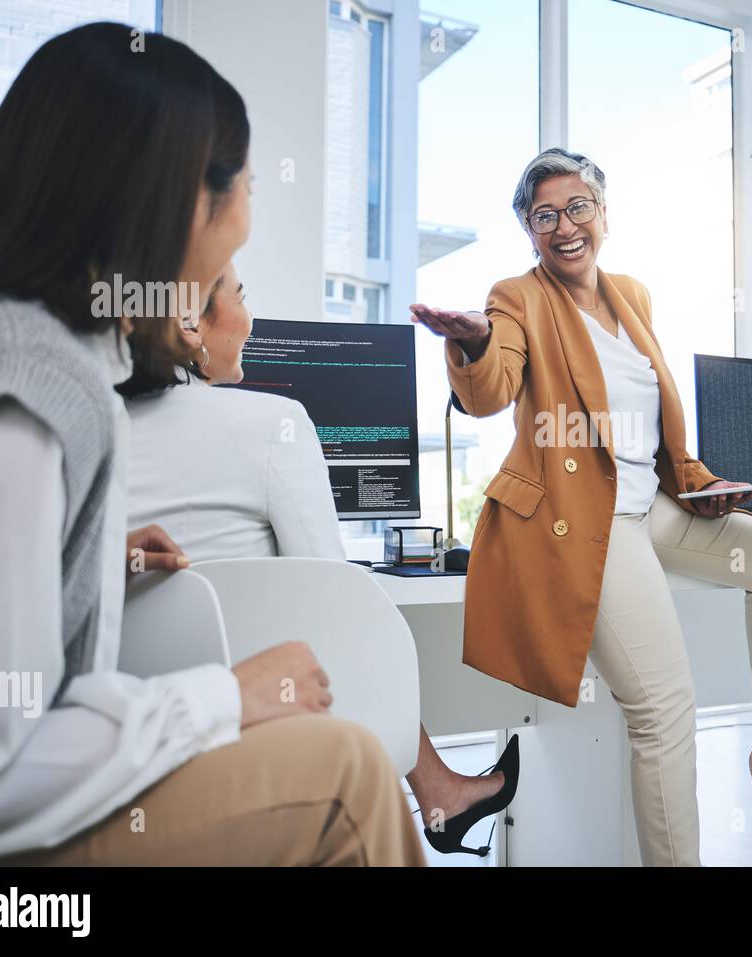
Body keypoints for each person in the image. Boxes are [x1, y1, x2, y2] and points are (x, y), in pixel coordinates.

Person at [0, 22, 422, 866]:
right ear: (161, 201)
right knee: (347, 768)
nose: (245, 212)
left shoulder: (7, 356)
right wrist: (224, 698)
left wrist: (75, 564)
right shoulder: (28, 398)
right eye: (234, 182)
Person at [411, 147, 752, 867]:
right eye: (543, 214)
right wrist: (473, 342)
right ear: (529, 229)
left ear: (604, 215)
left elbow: (653, 426)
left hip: (656, 505)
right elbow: (492, 389)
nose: (563, 225)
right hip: (583, 516)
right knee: (665, 707)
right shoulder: (517, 298)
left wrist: (706, 482)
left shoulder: (633, 296)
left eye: (577, 206)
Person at [123, 260, 518, 856]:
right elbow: (336, 593)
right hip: (274, 740)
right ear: (191, 326)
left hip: (140, 741)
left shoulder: (88, 433)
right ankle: (438, 795)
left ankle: (439, 795)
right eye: (240, 293)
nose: (252, 322)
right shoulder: (273, 423)